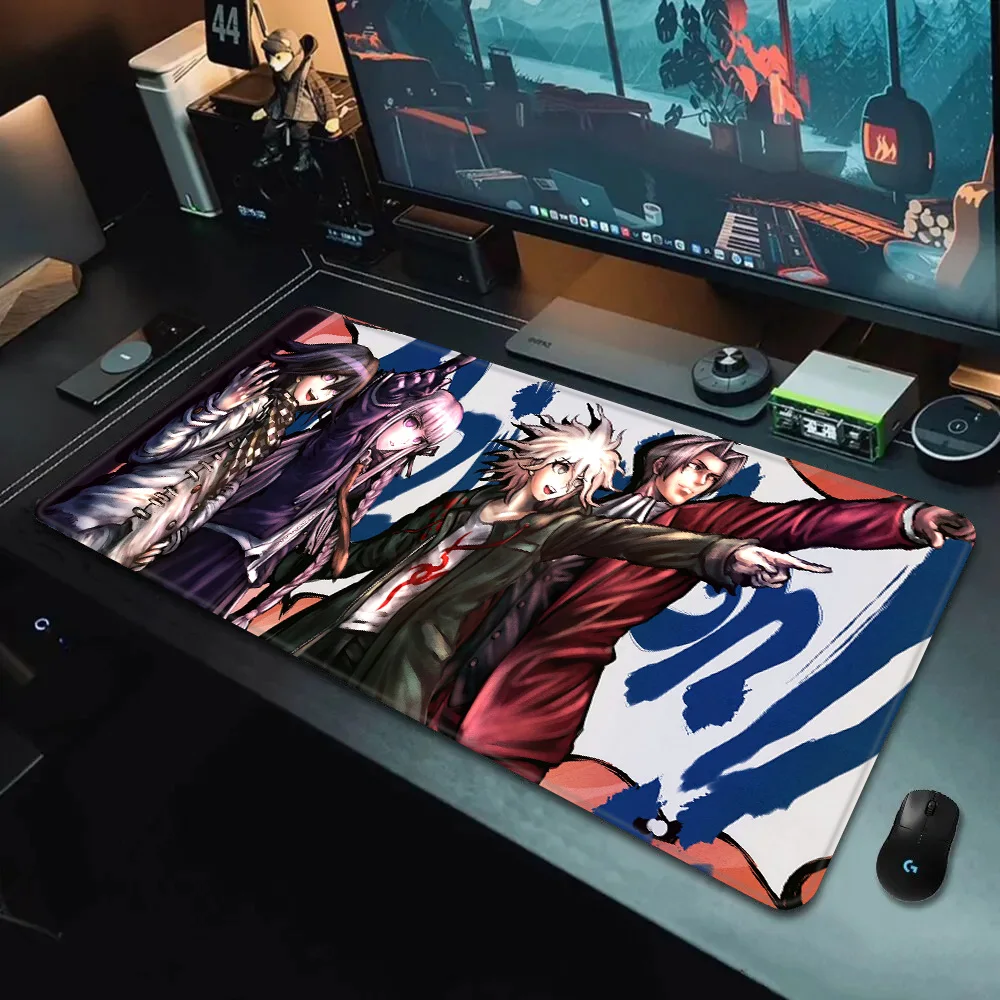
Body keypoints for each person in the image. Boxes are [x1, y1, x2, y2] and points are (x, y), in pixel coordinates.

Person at [432, 433, 976, 783]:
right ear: (663, 462)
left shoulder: (703, 523)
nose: (701, 482)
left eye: (712, 478)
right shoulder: (581, 501)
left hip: (538, 681)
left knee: (488, 781)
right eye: (696, 468)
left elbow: (800, 522)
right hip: (464, 652)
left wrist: (907, 519)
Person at [263, 410, 829, 724]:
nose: (564, 483)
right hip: (339, 624)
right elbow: (376, 553)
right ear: (535, 459)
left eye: (582, 479)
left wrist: (725, 554)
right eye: (560, 466)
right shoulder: (460, 505)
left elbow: (634, 539)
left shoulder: (556, 528)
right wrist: (292, 562)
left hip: (411, 655)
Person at [147, 356, 472, 618]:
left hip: (245, 565)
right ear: (397, 411)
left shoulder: (368, 473)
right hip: (221, 545)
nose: (405, 439)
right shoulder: (340, 447)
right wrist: (381, 400)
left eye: (420, 439)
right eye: (411, 422)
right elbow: (348, 427)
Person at [46, 335, 378, 572]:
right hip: (117, 504)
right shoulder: (256, 400)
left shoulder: (277, 427)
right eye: (328, 377)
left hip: (151, 531)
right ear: (313, 364)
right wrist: (218, 407)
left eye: (336, 390)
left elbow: (224, 488)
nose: (323, 392)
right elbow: (152, 452)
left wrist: (176, 535)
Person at [251, 29, 341, 173]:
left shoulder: (307, 75)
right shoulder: (279, 75)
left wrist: (331, 117)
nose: (272, 63)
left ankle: (305, 156)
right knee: (270, 130)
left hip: (304, 110)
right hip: (284, 107)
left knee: (298, 131)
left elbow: (323, 94)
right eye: (270, 57)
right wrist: (266, 109)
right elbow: (278, 94)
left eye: (278, 57)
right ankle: (273, 152)